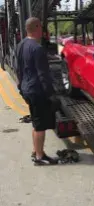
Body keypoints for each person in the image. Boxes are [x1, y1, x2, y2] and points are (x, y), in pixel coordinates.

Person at [16, 17, 58, 166]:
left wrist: (21, 87)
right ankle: (40, 157)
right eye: (41, 26)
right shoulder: (37, 48)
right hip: (37, 91)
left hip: (27, 89)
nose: (43, 30)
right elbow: (43, 75)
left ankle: (36, 151)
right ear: (36, 27)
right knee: (40, 126)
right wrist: (51, 95)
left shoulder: (21, 45)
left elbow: (18, 69)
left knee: (35, 122)